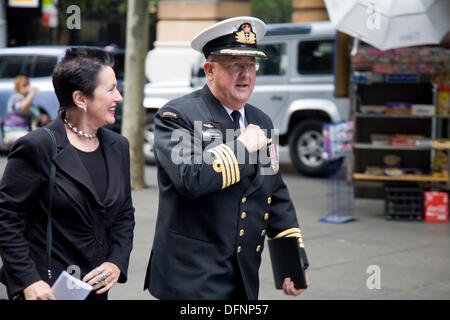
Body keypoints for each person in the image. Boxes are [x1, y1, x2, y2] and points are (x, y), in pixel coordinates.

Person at [144, 16, 309, 300]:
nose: (245, 75)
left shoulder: (261, 121)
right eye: (235, 66)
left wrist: (292, 263)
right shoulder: (178, 116)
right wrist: (242, 147)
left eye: (251, 65)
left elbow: (275, 194)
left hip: (243, 277)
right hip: (190, 279)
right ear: (209, 70)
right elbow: (191, 178)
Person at [0, 47, 135, 300]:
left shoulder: (119, 146)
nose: (119, 97)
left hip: (95, 291)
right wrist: (29, 281)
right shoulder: (37, 146)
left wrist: (117, 262)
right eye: (110, 89)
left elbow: (124, 214)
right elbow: (7, 219)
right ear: (81, 99)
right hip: (45, 291)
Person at [2, 75, 50, 147]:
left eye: (28, 84)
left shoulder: (27, 102)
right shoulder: (16, 98)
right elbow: (22, 108)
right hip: (13, 131)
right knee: (33, 140)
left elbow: (36, 114)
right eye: (24, 85)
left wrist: (43, 117)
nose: (27, 87)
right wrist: (32, 93)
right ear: (18, 87)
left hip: (24, 131)